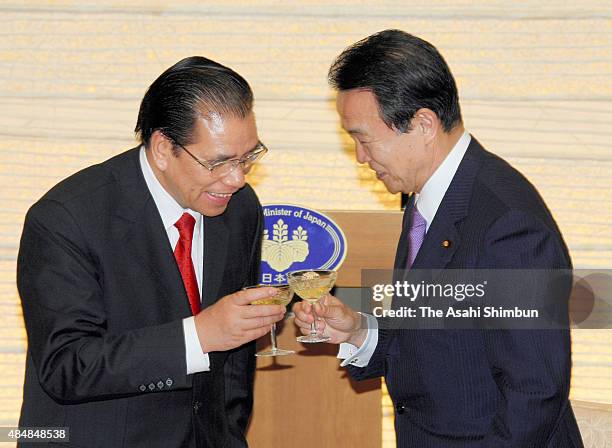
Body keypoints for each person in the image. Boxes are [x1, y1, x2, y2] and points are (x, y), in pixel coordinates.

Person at [294, 30, 583, 447]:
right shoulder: (426, 200)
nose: (360, 156)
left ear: (423, 124)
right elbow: (441, 341)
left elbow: (534, 393)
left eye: (363, 138)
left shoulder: (507, 223)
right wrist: (359, 331)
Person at [17, 56, 285, 447]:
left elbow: (234, 361)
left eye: (248, 157)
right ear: (162, 147)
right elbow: (67, 365)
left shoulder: (239, 208)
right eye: (219, 162)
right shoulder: (67, 219)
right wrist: (198, 335)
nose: (237, 178)